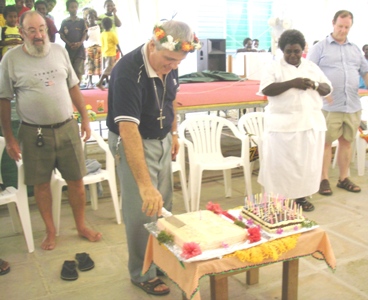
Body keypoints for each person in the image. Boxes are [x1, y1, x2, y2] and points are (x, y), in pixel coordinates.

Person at [106, 20, 200, 296]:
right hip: (134, 141)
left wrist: (172, 133)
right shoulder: (127, 73)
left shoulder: (170, 64)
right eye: (168, 60)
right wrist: (145, 185)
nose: (171, 67)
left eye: (177, 63)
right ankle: (141, 271)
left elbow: (171, 99)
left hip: (160, 137)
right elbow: (128, 129)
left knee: (163, 205)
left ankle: (160, 260)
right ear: (152, 45)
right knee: (142, 208)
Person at [0, 10, 102, 250]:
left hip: (67, 128)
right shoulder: (10, 60)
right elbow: (3, 100)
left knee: (76, 181)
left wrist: (85, 119)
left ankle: (81, 226)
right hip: (34, 133)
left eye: (42, 29)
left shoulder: (59, 51)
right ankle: (50, 231)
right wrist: (9, 138)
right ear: (22, 33)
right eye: (32, 30)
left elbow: (74, 86)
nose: (39, 35)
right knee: (42, 185)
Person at [258, 29, 332, 211]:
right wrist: (292, 83)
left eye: (296, 51)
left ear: (302, 50)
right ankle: (278, 200)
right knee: (280, 165)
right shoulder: (273, 67)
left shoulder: (311, 67)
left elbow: (327, 88)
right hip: (282, 125)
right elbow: (267, 89)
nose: (293, 55)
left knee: (305, 165)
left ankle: (301, 197)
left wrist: (313, 84)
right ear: (283, 50)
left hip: (309, 123)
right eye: (289, 51)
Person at [308, 10, 368, 195]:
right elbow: (308, 72)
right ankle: (323, 179)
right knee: (326, 143)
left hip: (352, 105)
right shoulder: (320, 48)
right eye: (340, 26)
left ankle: (344, 178)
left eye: (347, 27)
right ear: (333, 23)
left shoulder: (355, 49)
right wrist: (322, 91)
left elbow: (364, 72)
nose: (343, 30)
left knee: (347, 142)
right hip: (329, 106)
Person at [59, 0, 87, 82]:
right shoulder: (65, 22)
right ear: (68, 9)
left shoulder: (81, 21)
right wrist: (68, 43)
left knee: (79, 70)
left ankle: (78, 89)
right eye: (72, 7)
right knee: (70, 69)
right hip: (69, 49)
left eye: (75, 7)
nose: (74, 9)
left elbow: (84, 33)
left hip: (80, 49)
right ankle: (71, 89)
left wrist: (80, 43)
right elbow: (61, 35)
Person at [96, 17, 118, 90]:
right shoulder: (112, 34)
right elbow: (117, 44)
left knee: (109, 69)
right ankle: (99, 82)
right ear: (111, 25)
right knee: (108, 69)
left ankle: (111, 84)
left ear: (102, 25)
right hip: (111, 53)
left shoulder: (102, 34)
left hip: (104, 53)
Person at [84, 9, 101, 89]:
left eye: (92, 17)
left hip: (98, 47)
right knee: (89, 65)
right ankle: (89, 82)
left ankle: (100, 81)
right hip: (89, 48)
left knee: (99, 64)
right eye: (89, 17)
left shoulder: (99, 26)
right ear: (87, 19)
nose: (91, 19)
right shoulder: (87, 28)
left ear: (95, 18)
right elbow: (86, 38)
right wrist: (86, 29)